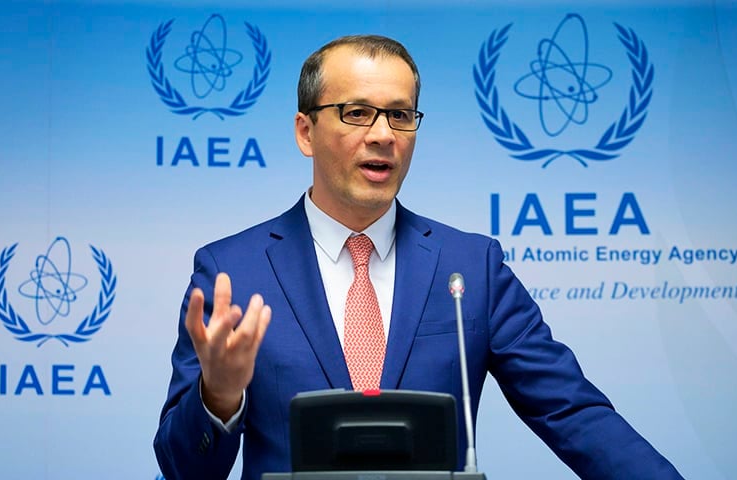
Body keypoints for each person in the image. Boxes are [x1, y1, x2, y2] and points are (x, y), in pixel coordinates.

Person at [154, 34, 683, 480]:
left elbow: (574, 413)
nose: (383, 134)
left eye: (401, 115)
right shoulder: (233, 271)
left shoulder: (472, 267)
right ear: (305, 132)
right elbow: (181, 469)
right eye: (357, 112)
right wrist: (218, 397)